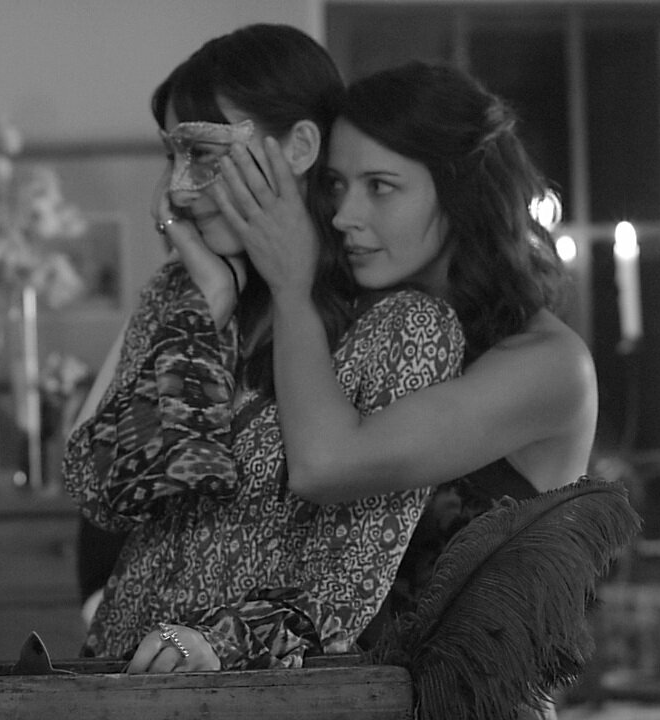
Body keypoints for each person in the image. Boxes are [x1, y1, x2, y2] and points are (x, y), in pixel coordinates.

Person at [60, 25, 465, 673]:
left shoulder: (403, 326)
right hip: (120, 671)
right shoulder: (181, 293)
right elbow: (103, 494)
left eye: (203, 153)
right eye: (171, 156)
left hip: (260, 690)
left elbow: (350, 581)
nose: (180, 187)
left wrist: (212, 644)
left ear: (300, 146)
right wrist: (206, 311)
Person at [213, 60, 598, 628]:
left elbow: (323, 466)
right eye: (337, 186)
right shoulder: (355, 328)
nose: (344, 216)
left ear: (462, 191)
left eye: (380, 187)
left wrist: (291, 287)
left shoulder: (548, 363)